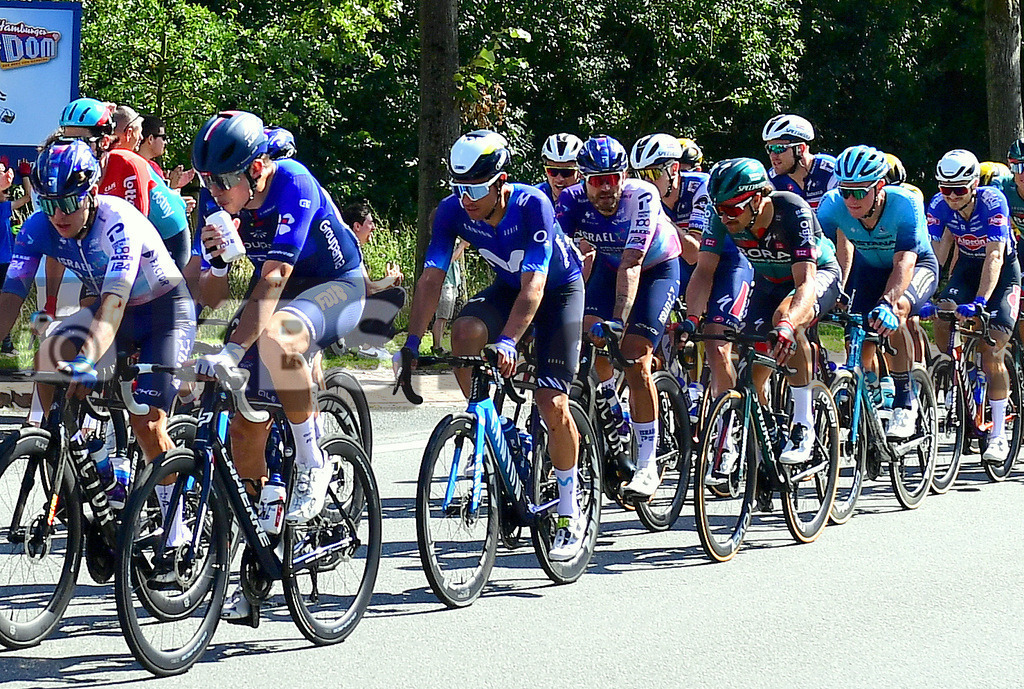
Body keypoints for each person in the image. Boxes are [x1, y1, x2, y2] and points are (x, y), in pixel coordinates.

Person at [402, 130, 587, 560]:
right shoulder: (451, 211)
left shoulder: (533, 205)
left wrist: (507, 341)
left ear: (501, 182)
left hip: (557, 291)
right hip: (508, 289)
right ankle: (497, 429)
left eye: (476, 189)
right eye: (459, 187)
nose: (466, 198)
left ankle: (568, 508)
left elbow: (535, 286)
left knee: (550, 401)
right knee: (464, 332)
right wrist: (410, 343)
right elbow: (431, 279)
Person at [0, 139, 194, 510]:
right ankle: (94, 459)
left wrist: (87, 359)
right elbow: (11, 296)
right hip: (114, 313)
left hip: (163, 314)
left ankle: (175, 523)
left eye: (69, 202)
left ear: (91, 193)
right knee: (48, 355)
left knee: (147, 425)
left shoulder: (117, 221)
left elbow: (113, 303)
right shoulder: (38, 228)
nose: (59, 215)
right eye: (49, 203)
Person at [686, 158, 841, 483]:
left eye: (732, 209)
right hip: (769, 281)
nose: (725, 217)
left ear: (757, 198)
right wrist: (690, 320)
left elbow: (805, 282)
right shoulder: (722, 215)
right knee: (750, 369)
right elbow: (703, 271)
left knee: (787, 320)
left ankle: (803, 424)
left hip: (816, 277)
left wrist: (787, 325)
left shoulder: (792, 210)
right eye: (720, 209)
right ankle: (763, 433)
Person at [557, 135, 683, 498]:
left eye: (613, 178)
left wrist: (617, 319)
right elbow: (558, 257)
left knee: (633, 357)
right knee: (582, 335)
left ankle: (647, 465)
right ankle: (610, 402)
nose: (606, 188)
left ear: (624, 176)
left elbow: (633, 262)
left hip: (656, 269)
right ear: (584, 179)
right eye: (597, 180)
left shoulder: (642, 196)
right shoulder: (571, 199)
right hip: (609, 267)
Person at [817, 145, 938, 437]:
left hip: (916, 266)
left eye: (859, 192)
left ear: (880, 186)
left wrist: (888, 302)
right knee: (856, 334)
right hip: (870, 269)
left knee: (895, 313)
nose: (851, 200)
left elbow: (905, 262)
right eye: (845, 192)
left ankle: (905, 401)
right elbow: (819, 252)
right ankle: (870, 390)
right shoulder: (831, 206)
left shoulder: (905, 203)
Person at [631, 134, 754, 406]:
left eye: (652, 173)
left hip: (727, 264)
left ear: (674, 169)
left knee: (717, 346)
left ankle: (726, 419)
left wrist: (659, 217)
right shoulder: (639, 196)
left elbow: (695, 253)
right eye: (640, 174)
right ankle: (678, 388)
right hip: (682, 267)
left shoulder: (701, 188)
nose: (645, 182)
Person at [926, 149, 1020, 464]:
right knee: (943, 313)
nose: (952, 196)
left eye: (959, 190)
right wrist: (923, 296)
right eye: (945, 189)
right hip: (967, 268)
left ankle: (999, 435)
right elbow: (936, 256)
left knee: (992, 351)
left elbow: (995, 255)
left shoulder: (993, 202)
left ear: (974, 185)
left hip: (1002, 273)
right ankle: (962, 373)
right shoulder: (939, 205)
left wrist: (980, 302)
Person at [108, 106, 191, 269]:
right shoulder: (126, 159)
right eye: (139, 132)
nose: (141, 138)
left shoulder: (135, 162)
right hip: (164, 226)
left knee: (177, 281)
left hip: (173, 229)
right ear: (129, 133)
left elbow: (141, 212)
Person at [342, 200, 406, 359]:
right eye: (370, 223)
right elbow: (369, 289)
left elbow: (365, 289)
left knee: (390, 331)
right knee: (398, 294)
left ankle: (360, 344)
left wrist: (388, 283)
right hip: (346, 314)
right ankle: (369, 347)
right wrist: (389, 280)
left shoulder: (348, 247)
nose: (374, 227)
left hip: (347, 313)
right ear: (357, 226)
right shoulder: (350, 249)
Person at [762, 114, 837, 212]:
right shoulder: (773, 179)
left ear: (800, 149)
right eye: (769, 148)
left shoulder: (829, 171)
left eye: (778, 148)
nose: (773, 156)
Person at [0, 159, 34, 355]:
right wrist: (26, 175)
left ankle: (6, 343)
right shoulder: (4, 208)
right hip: (4, 262)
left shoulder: (4, 207)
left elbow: (26, 199)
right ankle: (6, 343)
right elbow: (27, 198)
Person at [431, 239, 469, 355]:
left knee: (445, 318)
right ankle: (436, 346)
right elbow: (450, 259)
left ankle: (439, 345)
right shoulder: (444, 243)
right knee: (441, 317)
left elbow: (456, 258)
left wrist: (461, 246)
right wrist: (461, 246)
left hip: (452, 283)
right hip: (445, 284)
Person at [537, 133, 583, 205]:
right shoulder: (535, 196)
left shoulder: (592, 197)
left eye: (566, 172)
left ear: (580, 172)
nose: (559, 179)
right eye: (552, 171)